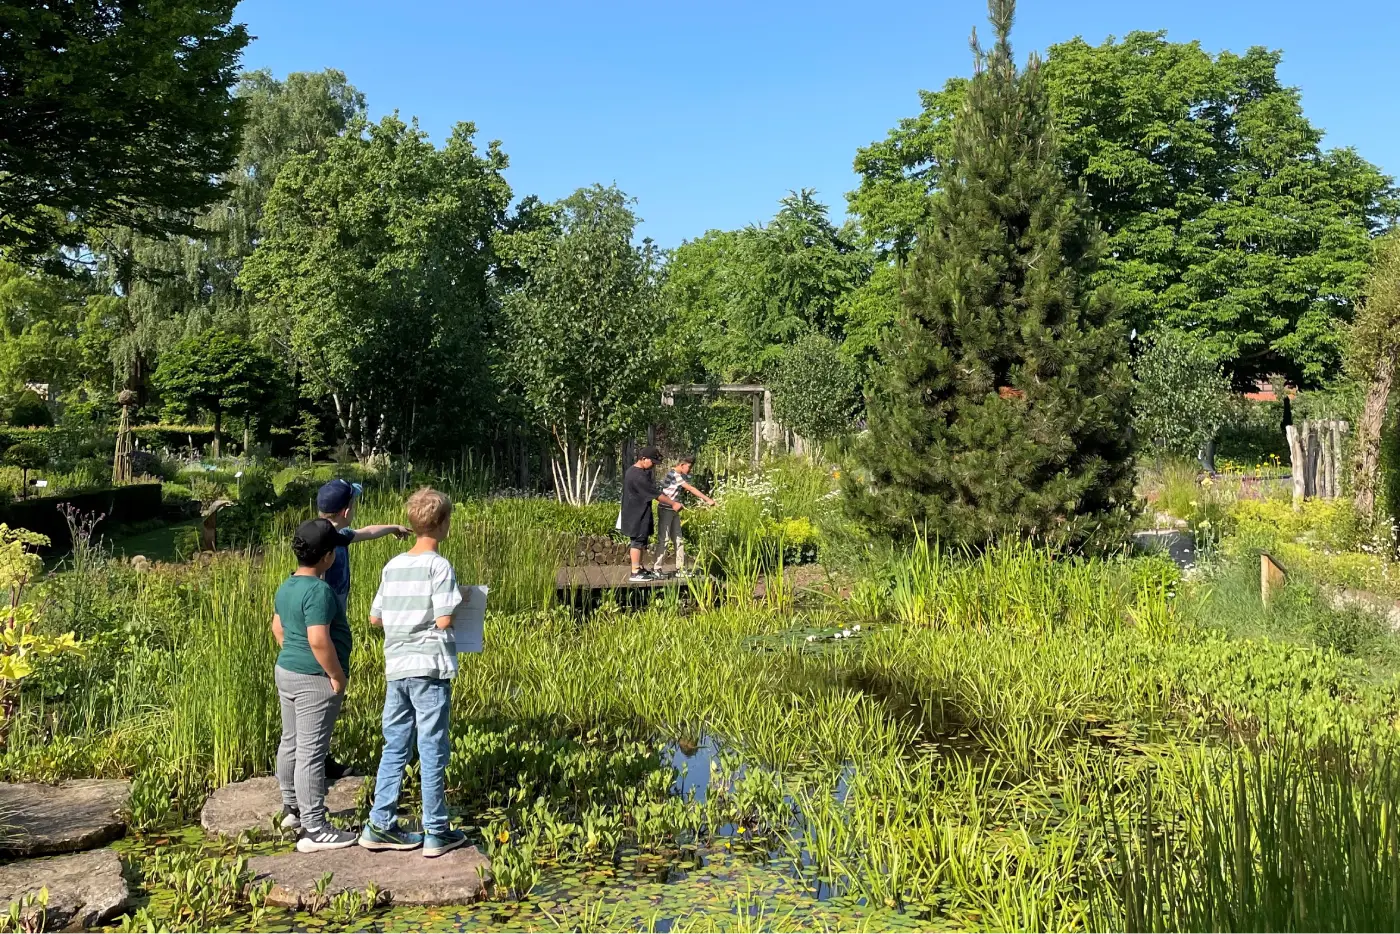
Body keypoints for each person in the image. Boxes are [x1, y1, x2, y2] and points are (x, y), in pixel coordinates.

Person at [359, 487, 468, 857]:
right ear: (443, 524)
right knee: (432, 746)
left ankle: (380, 822)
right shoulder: (440, 566)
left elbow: (375, 618)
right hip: (429, 667)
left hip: (397, 666)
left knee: (395, 744)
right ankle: (436, 828)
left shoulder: (393, 566)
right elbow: (444, 619)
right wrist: (463, 603)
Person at [271, 518, 358, 852]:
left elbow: (278, 628)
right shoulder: (319, 591)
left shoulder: (287, 585)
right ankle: (314, 829)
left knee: (291, 741)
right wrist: (335, 675)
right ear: (327, 556)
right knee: (311, 753)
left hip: (287, 670)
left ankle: (291, 809)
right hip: (314, 679)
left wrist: (294, 655)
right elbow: (319, 639)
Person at [316, 479, 410, 781]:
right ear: (346, 511)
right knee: (326, 693)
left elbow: (366, 532)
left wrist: (393, 527)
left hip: (331, 628)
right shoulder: (324, 543)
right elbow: (314, 583)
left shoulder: (334, 534)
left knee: (330, 695)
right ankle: (316, 761)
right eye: (354, 504)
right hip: (324, 630)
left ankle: (319, 755)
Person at [620, 446, 680, 583]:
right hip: (635, 513)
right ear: (643, 459)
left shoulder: (637, 471)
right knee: (637, 541)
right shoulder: (637, 476)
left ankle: (640, 567)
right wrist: (673, 503)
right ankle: (635, 571)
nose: (653, 465)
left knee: (642, 540)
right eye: (652, 462)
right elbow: (656, 494)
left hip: (639, 511)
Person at [652, 455, 715, 578]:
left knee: (678, 539)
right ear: (682, 465)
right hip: (666, 510)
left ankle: (680, 568)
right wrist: (708, 499)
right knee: (664, 539)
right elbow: (690, 488)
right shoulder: (674, 474)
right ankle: (657, 568)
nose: (690, 470)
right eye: (689, 467)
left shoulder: (681, 475)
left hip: (674, 510)